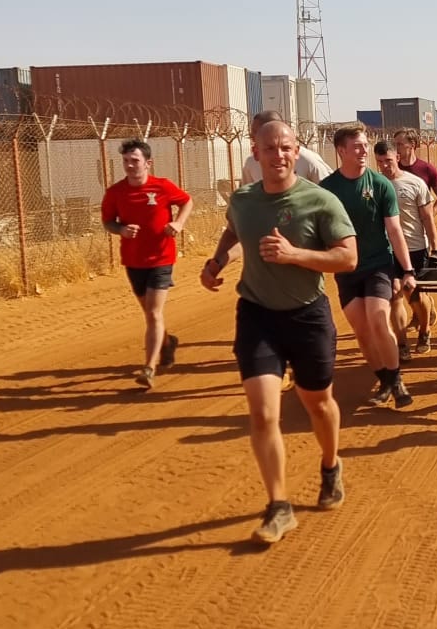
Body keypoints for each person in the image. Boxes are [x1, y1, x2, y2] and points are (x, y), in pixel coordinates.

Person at [200, 119, 356, 543]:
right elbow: (236, 232)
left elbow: (347, 259)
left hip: (307, 315)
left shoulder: (321, 201)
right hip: (257, 314)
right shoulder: (244, 200)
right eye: (270, 149)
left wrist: (295, 255)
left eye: (286, 147)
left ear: (296, 148)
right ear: (255, 152)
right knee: (264, 412)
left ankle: (330, 464)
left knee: (318, 404)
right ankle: (279, 505)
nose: (279, 155)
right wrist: (216, 262)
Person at [322, 125, 418, 408]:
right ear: (341, 151)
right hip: (347, 269)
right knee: (361, 329)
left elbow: (395, 231)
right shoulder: (328, 189)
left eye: (365, 145)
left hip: (378, 264)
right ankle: (384, 379)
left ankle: (397, 379)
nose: (364, 151)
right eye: (357, 147)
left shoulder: (380, 185)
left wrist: (408, 270)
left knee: (378, 317)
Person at [100, 138, 192, 389]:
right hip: (133, 260)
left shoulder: (162, 187)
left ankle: (149, 368)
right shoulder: (115, 192)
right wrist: (120, 229)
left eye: (135, 161)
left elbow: (186, 201)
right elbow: (108, 221)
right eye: (126, 161)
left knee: (153, 312)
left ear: (148, 163)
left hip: (162, 258)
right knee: (150, 313)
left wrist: (179, 223)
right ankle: (167, 342)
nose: (130, 165)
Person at [374, 139, 437, 354]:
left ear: (398, 158)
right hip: (387, 250)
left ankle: (425, 330)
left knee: (414, 294)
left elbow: (428, 217)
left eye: (388, 161)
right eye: (380, 162)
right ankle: (402, 344)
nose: (384, 166)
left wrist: (435, 247)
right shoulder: (374, 185)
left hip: (415, 247)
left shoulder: (415, 183)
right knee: (394, 295)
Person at [240, 110, 330, 185]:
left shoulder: (307, 160)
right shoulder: (250, 163)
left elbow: (329, 191)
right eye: (252, 133)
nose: (253, 137)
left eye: (258, 131)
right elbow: (246, 197)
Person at [393, 130, 437, 216]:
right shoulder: (393, 169)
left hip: (420, 226)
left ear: (412, 145)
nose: (396, 148)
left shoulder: (427, 169)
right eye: (395, 145)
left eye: (400, 144)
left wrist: (430, 214)